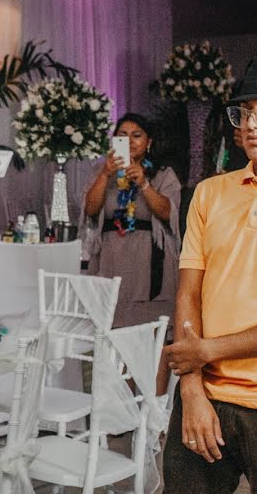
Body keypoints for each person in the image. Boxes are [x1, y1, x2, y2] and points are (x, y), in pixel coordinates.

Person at [161, 64, 257, 492]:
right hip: (206, 396)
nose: (251, 126)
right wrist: (192, 389)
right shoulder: (210, 193)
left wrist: (204, 350)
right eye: (245, 113)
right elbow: (188, 295)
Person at [82, 113, 182, 330]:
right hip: (111, 257)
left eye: (137, 135)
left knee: (150, 331)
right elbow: (90, 209)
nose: (129, 141)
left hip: (148, 261)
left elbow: (168, 213)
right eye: (122, 135)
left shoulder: (164, 174)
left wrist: (144, 184)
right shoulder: (100, 172)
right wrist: (105, 175)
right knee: (111, 324)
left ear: (149, 143)